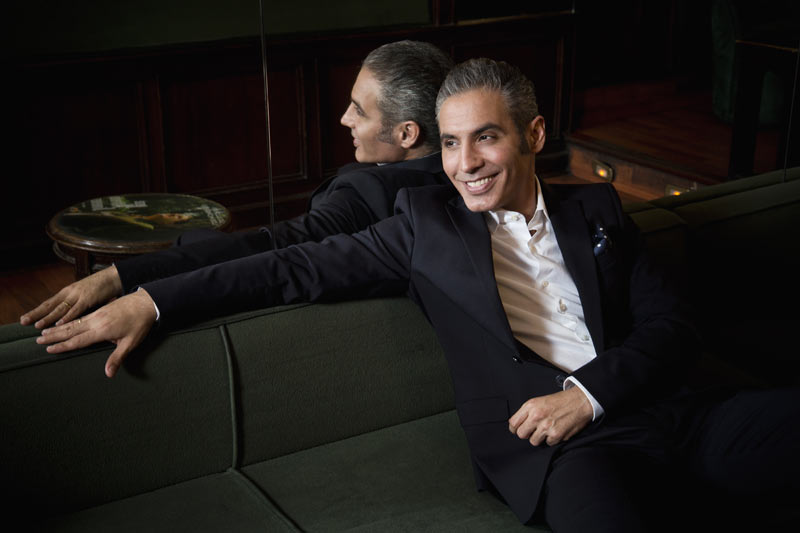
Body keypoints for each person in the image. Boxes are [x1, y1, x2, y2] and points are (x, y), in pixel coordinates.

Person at [36, 59, 799, 531]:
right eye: (452, 142)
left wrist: (587, 393)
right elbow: (285, 264)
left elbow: (673, 326)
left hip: (676, 412)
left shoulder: (596, 208)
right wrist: (148, 295)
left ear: (532, 135)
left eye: (486, 137)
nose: (466, 163)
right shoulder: (421, 229)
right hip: (566, 456)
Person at [20, 40, 453, 330]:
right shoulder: (457, 181)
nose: (345, 118)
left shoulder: (368, 197)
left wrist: (125, 280)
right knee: (198, 238)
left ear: (407, 133)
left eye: (359, 110)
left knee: (197, 240)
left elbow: (275, 248)